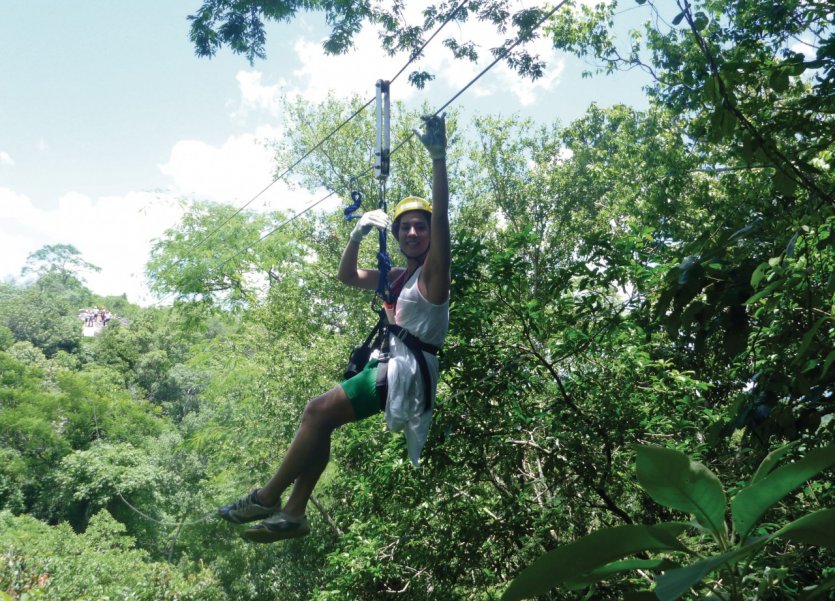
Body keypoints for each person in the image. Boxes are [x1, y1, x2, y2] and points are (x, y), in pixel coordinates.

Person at [218, 114, 451, 543]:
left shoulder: (434, 275)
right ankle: (293, 511)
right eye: (406, 227)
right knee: (321, 421)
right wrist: (358, 233)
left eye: (421, 226)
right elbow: (347, 276)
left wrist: (438, 159)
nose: (415, 232)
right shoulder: (398, 276)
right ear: (397, 235)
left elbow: (444, 221)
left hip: (404, 372)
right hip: (392, 366)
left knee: (315, 411)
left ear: (431, 234)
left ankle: (268, 496)